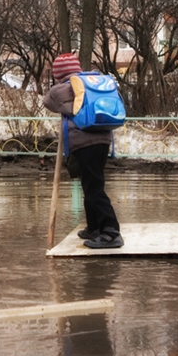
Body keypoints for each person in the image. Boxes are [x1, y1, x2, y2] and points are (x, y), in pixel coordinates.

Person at [43, 53, 123, 249]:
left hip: (84, 143)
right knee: (91, 184)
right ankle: (94, 227)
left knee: (93, 187)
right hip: (103, 140)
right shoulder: (94, 83)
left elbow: (47, 101)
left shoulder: (61, 89)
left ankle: (111, 232)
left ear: (58, 74)